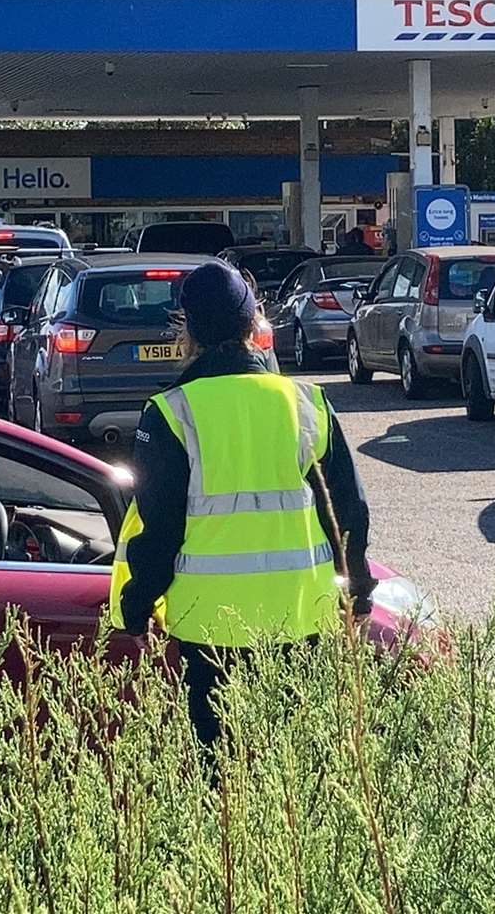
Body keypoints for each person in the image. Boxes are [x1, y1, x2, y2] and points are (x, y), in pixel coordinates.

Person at [110, 262, 375, 760]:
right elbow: (348, 515)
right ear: (255, 323)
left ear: (187, 331)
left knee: (222, 777)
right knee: (294, 772)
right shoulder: (307, 403)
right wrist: (359, 594)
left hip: (209, 631)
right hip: (302, 619)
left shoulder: (171, 412)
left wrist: (137, 607)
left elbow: (158, 528)